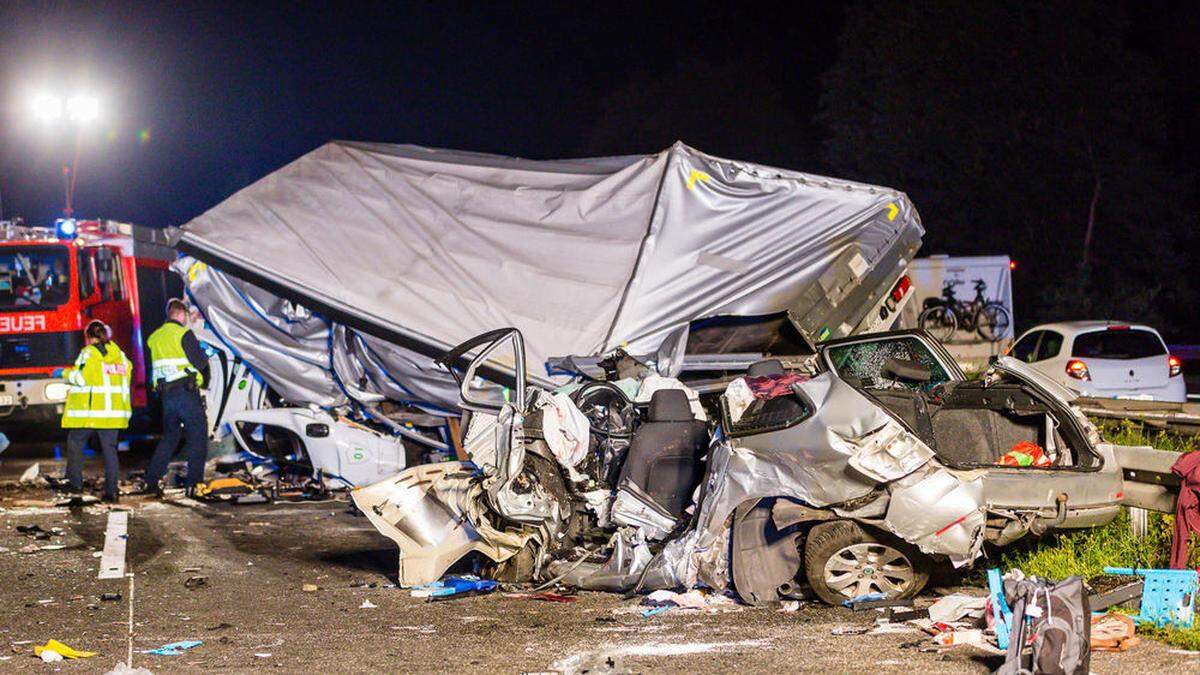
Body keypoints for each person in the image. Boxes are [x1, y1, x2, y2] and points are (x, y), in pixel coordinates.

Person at [56, 320, 132, 502]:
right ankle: (112, 491)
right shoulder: (120, 356)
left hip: (91, 413)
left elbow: (82, 378)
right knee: (110, 452)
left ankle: (75, 485)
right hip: (113, 414)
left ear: (89, 337)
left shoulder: (89, 353)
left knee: (75, 444)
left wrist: (63, 373)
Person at [142, 299, 211, 495]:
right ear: (181, 315)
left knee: (170, 438)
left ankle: (151, 479)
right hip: (186, 393)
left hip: (166, 396)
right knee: (197, 437)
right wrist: (205, 361)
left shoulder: (154, 337)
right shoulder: (183, 334)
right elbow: (200, 362)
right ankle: (194, 483)